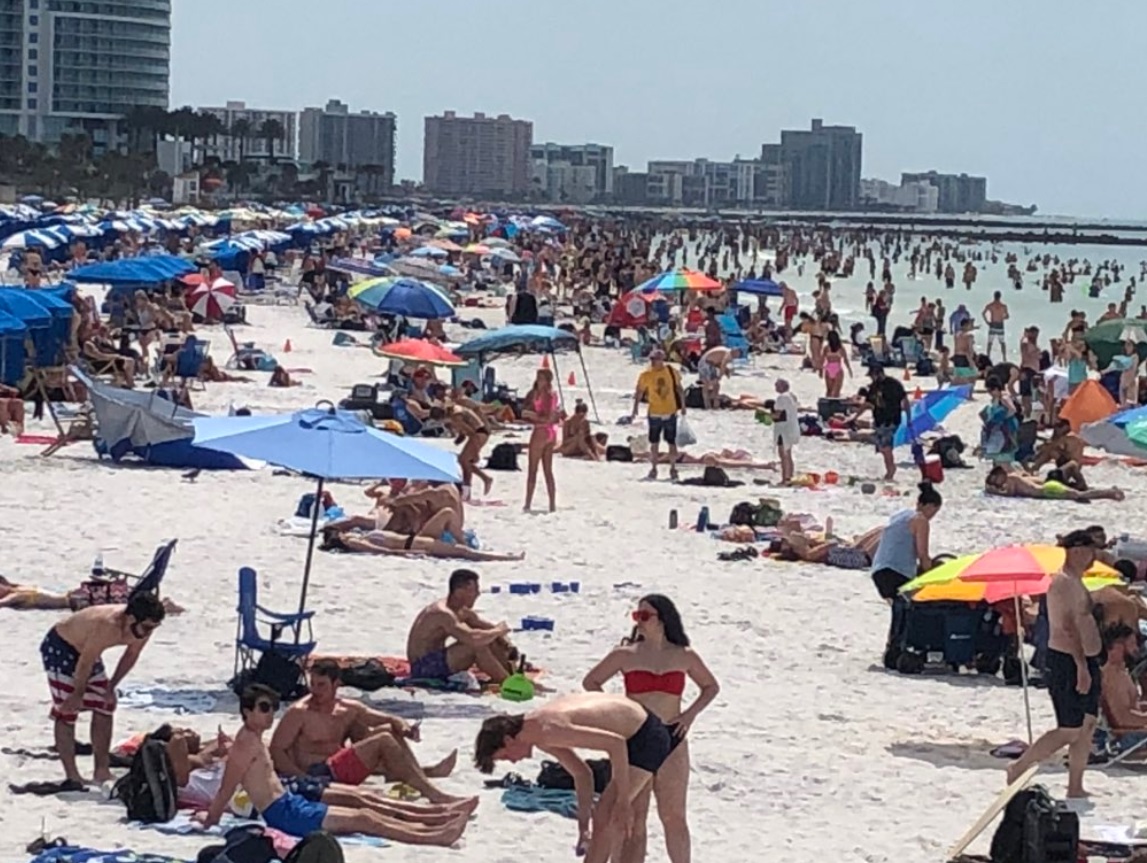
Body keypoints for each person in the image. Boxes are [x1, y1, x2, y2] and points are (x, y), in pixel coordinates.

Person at [197, 685, 471, 845]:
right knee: (364, 818)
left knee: (365, 810)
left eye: (272, 707)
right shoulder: (245, 745)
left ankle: (433, 821)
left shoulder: (252, 739)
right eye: (264, 708)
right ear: (247, 711)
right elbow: (226, 787)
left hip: (290, 804)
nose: (271, 714)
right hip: (284, 814)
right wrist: (210, 819)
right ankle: (435, 836)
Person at [582, 595, 720, 863]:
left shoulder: (683, 655)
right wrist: (617, 710)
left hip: (672, 737)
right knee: (633, 815)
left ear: (663, 619)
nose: (639, 621)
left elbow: (710, 687)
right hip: (638, 737)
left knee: (674, 815)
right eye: (637, 616)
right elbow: (592, 681)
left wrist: (689, 715)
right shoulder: (626, 654)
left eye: (645, 616)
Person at [475, 693, 681, 863]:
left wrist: (624, 799)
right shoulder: (537, 732)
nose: (512, 762)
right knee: (610, 819)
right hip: (635, 731)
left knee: (607, 815)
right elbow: (582, 774)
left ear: (508, 740)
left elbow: (615, 744)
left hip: (646, 737)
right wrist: (583, 827)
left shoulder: (549, 730)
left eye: (504, 756)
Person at [269, 661, 463, 804]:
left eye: (322, 685)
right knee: (383, 740)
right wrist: (301, 778)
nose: (315, 691)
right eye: (313, 684)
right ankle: (433, 794)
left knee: (389, 730)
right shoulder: (300, 712)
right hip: (318, 773)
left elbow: (387, 718)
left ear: (337, 684)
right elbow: (277, 750)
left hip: (338, 766)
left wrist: (404, 727)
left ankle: (417, 774)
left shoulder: (347, 708)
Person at [1005, 531, 1105, 797]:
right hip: (1068, 660)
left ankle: (1075, 786)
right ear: (1075, 551)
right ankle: (1020, 765)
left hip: (1087, 660)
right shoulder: (1062, 582)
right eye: (1088, 550)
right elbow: (1067, 627)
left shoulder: (1077, 581)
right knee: (1069, 729)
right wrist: (1081, 666)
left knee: (1087, 725)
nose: (1092, 556)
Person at [40, 592, 166, 786]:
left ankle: (101, 770)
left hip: (87, 650)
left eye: (154, 627)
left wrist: (112, 686)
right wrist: (77, 693)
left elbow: (131, 655)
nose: (149, 632)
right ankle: (72, 775)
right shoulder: (108, 625)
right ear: (132, 618)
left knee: (105, 705)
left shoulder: (142, 627)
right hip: (62, 645)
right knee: (66, 711)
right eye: (147, 627)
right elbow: (85, 662)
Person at [406, 569, 516, 684]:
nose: (478, 594)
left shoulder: (462, 610)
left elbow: (487, 628)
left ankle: (511, 674)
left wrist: (506, 644)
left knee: (490, 637)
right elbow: (472, 638)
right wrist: (498, 631)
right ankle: (507, 682)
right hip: (423, 667)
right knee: (476, 646)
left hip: (441, 660)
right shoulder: (442, 613)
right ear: (459, 592)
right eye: (474, 590)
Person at [869, 483, 943, 601]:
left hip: (878, 570)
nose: (932, 516)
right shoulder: (920, 520)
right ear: (930, 506)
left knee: (899, 609)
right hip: (897, 572)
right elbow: (922, 555)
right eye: (934, 512)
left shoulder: (900, 515)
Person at [630, 349, 686, 482]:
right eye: (653, 359)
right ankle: (654, 468)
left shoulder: (671, 371)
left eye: (657, 359)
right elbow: (639, 391)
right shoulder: (646, 375)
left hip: (670, 411)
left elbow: (679, 388)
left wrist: (683, 406)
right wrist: (635, 408)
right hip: (654, 412)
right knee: (654, 443)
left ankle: (673, 468)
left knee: (671, 442)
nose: (654, 362)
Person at [321, 529, 524, 561]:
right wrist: (401, 553)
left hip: (414, 540)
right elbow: (381, 550)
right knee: (463, 553)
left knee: (462, 551)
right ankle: (506, 557)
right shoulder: (354, 541)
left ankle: (504, 555)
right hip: (412, 544)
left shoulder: (356, 537)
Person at [1098, 622, 1147, 753]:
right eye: (1131, 644)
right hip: (1130, 737)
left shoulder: (1120, 672)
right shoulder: (1113, 677)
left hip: (1134, 732)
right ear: (1118, 647)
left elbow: (1131, 706)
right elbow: (1123, 717)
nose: (1136, 648)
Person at [865, 360, 910, 481]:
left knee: (886, 447)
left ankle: (891, 470)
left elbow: (905, 401)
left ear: (878, 373)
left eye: (872, 375)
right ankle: (889, 469)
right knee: (882, 448)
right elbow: (868, 404)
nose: (871, 378)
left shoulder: (894, 384)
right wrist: (854, 416)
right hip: (879, 421)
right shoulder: (873, 387)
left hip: (892, 420)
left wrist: (909, 418)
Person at [523, 367, 560, 513]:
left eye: (541, 378)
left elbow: (546, 417)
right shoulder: (550, 394)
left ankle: (528, 503)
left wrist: (531, 416)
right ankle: (552, 504)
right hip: (551, 431)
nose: (538, 381)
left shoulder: (546, 395)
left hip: (542, 430)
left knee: (533, 469)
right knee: (548, 470)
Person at [984, 465, 1125, 502]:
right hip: (1047, 486)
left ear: (1000, 474)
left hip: (1046, 491)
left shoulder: (1011, 479)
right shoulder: (1017, 475)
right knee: (1079, 494)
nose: (997, 484)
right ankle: (1109, 492)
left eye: (995, 480)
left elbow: (1010, 493)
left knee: (1081, 495)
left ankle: (1111, 493)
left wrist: (992, 491)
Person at [445, 403, 493, 498]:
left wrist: (476, 452)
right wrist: (460, 437)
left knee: (464, 460)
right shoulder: (455, 411)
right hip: (480, 432)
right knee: (464, 461)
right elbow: (466, 429)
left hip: (479, 434)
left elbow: (472, 433)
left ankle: (472, 487)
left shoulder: (456, 416)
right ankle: (472, 487)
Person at [1027, 418, 1089, 490]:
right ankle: (1034, 469)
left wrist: (1051, 440)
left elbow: (1045, 447)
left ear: (1066, 427)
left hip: (1072, 466)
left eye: (1058, 427)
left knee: (1051, 451)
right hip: (1066, 463)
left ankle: (1033, 469)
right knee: (1051, 452)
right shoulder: (1064, 438)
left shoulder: (1069, 437)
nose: (1056, 430)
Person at [771, 378, 800, 484]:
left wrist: (767, 416)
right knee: (788, 453)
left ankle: (785, 478)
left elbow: (778, 414)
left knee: (783, 454)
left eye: (777, 385)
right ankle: (790, 476)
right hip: (793, 427)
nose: (775, 387)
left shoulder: (781, 398)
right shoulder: (792, 396)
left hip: (783, 429)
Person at [696, 344, 734, 410]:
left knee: (716, 384)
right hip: (705, 363)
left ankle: (715, 403)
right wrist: (721, 375)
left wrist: (725, 370)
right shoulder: (727, 353)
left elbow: (718, 363)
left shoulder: (725, 352)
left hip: (710, 364)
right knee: (707, 383)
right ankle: (707, 404)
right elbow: (722, 365)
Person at [821, 330, 852, 398]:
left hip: (834, 369)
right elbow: (822, 360)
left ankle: (833, 406)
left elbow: (845, 359)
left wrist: (849, 369)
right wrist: (820, 370)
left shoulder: (840, 348)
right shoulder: (827, 348)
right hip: (831, 369)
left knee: (834, 391)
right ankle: (829, 406)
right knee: (830, 391)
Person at [983, 291, 1010, 362]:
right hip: (1000, 325)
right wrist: (1002, 317)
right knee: (1002, 342)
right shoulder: (1003, 306)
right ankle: (1004, 357)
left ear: (994, 296)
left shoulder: (990, 305)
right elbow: (1007, 316)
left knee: (990, 342)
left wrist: (987, 322)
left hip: (992, 324)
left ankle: (988, 356)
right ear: (1000, 297)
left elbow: (983, 313)